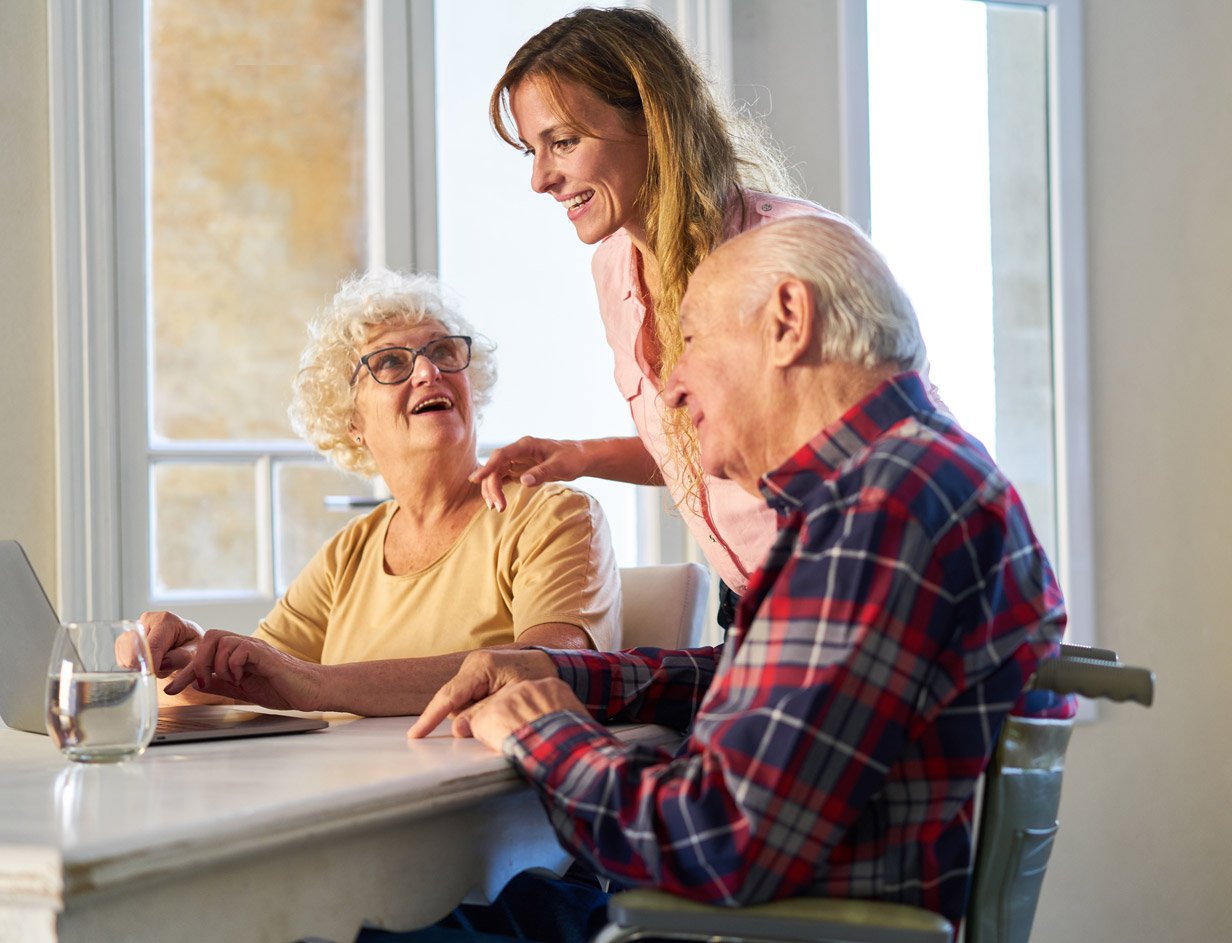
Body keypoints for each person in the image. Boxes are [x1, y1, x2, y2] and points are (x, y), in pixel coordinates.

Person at [399, 216, 1068, 941]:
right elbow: (783, 682)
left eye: (689, 340)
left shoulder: (884, 505)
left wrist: (543, 730)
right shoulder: (919, 477)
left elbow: (713, 842)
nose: (673, 386)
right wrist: (566, 674)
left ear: (788, 320)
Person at [471, 7, 841, 629]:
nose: (540, 179)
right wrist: (583, 454)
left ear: (656, 121)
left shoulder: (794, 255)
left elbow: (874, 463)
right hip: (751, 608)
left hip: (843, 598)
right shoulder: (614, 267)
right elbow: (707, 448)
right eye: (532, 150)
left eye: (563, 142)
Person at [139, 269, 620, 715]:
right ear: (352, 421)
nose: (428, 372)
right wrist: (183, 654)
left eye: (443, 352)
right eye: (391, 361)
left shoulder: (553, 515)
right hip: (347, 788)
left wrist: (318, 685)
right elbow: (256, 680)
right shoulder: (349, 551)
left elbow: (555, 667)